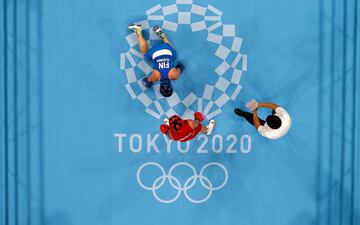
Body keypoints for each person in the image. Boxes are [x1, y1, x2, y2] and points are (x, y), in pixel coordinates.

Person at [128, 24, 184, 97]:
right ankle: (138, 31)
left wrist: (176, 69)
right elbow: (146, 81)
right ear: (160, 86)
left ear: (171, 85)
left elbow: (180, 67)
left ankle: (161, 35)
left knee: (173, 53)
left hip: (166, 48)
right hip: (154, 51)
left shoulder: (175, 76)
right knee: (144, 53)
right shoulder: (155, 77)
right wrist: (149, 82)